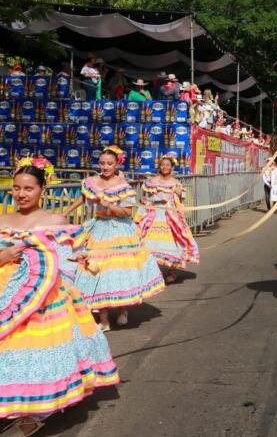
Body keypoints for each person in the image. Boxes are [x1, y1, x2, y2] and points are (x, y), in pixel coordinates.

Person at [0, 157, 119, 434]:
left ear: (43, 188)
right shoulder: (2, 220)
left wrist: (80, 259)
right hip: (6, 288)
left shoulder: (56, 220)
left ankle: (34, 408)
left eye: (28, 188)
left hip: (45, 294)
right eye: (16, 188)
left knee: (35, 351)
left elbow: (65, 259)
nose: (21, 194)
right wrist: (4, 255)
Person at [63, 146, 165, 331]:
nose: (105, 167)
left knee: (119, 271)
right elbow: (83, 197)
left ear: (117, 164)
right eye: (102, 163)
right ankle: (103, 320)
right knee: (97, 271)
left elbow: (127, 211)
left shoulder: (122, 185)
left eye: (109, 163)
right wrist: (66, 212)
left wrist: (109, 206)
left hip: (119, 231)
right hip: (98, 229)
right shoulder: (92, 181)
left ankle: (122, 309)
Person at [134, 155, 199, 284]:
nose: (165, 167)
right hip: (153, 215)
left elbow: (181, 199)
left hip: (169, 216)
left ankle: (171, 271)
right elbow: (144, 196)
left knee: (171, 243)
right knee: (149, 243)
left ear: (172, 167)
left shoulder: (175, 183)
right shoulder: (152, 181)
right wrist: (143, 201)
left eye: (168, 165)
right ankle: (152, 273)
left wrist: (178, 194)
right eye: (163, 164)